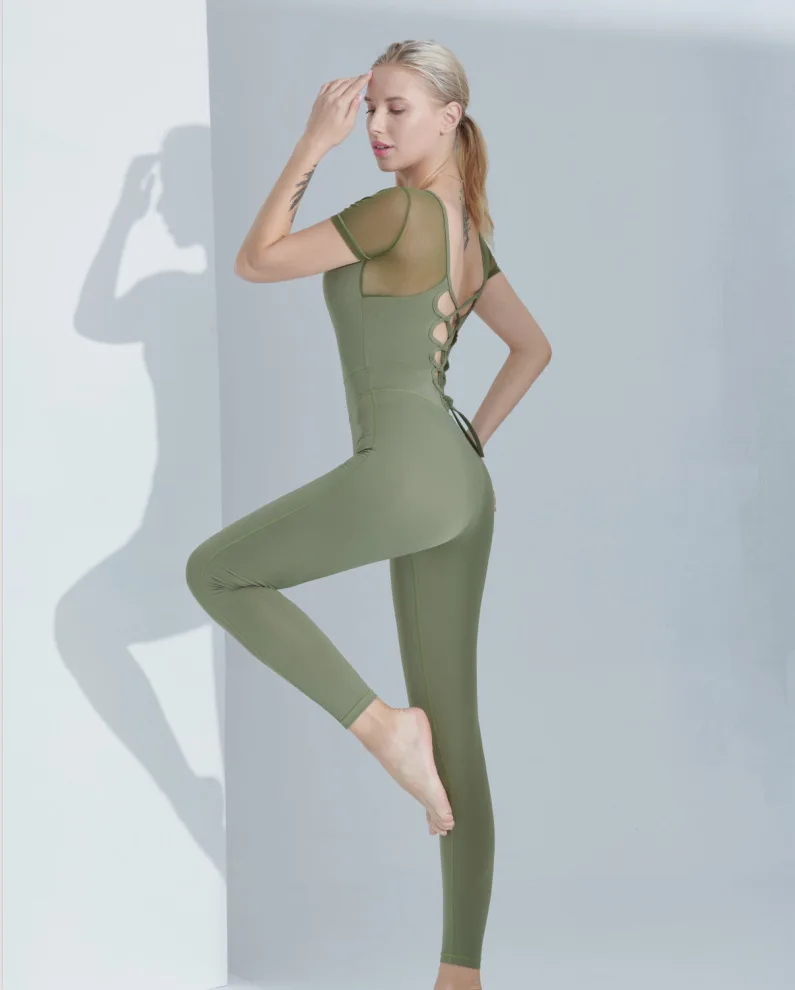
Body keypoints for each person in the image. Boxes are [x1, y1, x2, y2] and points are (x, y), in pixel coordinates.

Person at [186, 39, 551, 990]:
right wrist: (470, 441)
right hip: (458, 487)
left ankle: (383, 730)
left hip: (407, 475)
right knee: (458, 733)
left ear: (448, 118)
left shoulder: (399, 211)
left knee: (216, 573)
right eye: (368, 109)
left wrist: (313, 142)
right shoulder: (466, 234)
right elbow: (532, 349)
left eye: (396, 109)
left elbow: (258, 259)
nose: (374, 127)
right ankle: (460, 974)